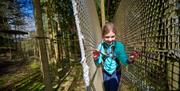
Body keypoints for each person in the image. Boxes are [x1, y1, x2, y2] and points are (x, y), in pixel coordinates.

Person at [93, 22, 139, 91]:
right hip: (106, 72)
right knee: (107, 88)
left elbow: (124, 60)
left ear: (115, 36)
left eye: (112, 36)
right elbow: (98, 63)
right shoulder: (101, 46)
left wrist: (130, 59)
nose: (110, 39)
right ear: (102, 36)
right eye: (107, 37)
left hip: (116, 72)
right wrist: (96, 58)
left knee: (113, 88)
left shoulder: (119, 46)